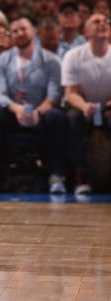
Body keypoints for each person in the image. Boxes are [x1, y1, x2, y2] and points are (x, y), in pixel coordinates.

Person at [0, 16, 68, 194]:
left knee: (57, 116)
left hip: (41, 111)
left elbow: (55, 93)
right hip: (13, 112)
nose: (19, 33)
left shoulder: (52, 60)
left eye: (23, 29)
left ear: (33, 31)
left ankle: (57, 175)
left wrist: (38, 111)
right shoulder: (2, 60)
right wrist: (16, 109)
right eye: (14, 31)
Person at [62, 12, 111, 195]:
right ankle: (81, 175)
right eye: (96, 22)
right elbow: (70, 94)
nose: (102, 24)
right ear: (86, 31)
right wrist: (84, 107)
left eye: (105, 21)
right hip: (82, 106)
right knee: (72, 119)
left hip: (108, 108)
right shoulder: (73, 56)